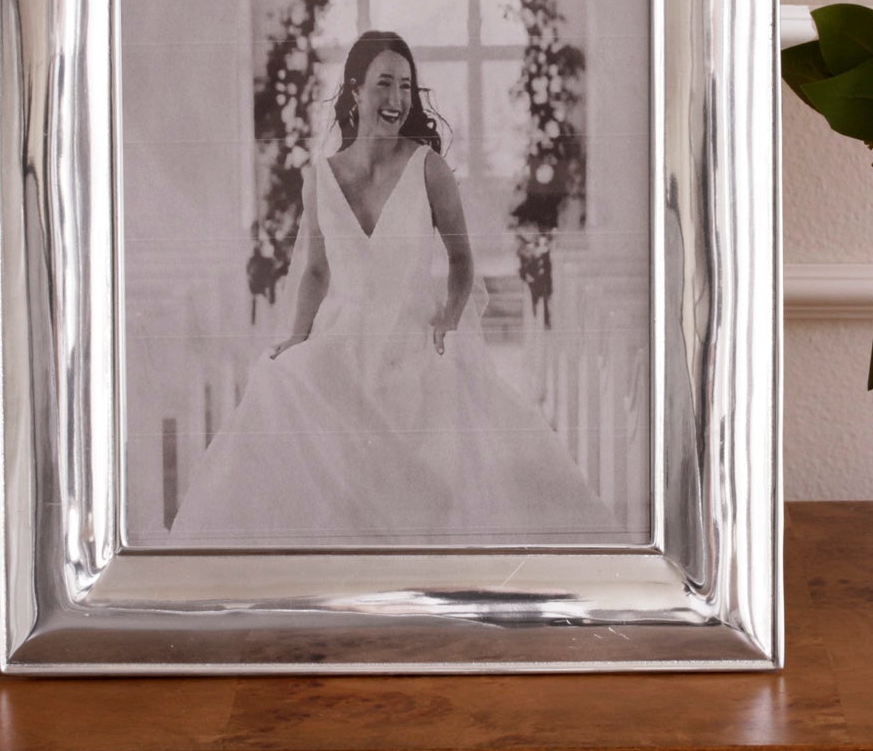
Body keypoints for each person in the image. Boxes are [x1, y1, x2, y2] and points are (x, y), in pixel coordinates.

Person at [167, 28, 617, 545]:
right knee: (284, 382)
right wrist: (297, 335)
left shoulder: (429, 169)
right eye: (384, 83)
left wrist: (449, 317)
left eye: (406, 86)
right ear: (354, 90)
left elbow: (462, 261)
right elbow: (316, 271)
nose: (397, 99)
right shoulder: (321, 177)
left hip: (412, 336)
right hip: (343, 336)